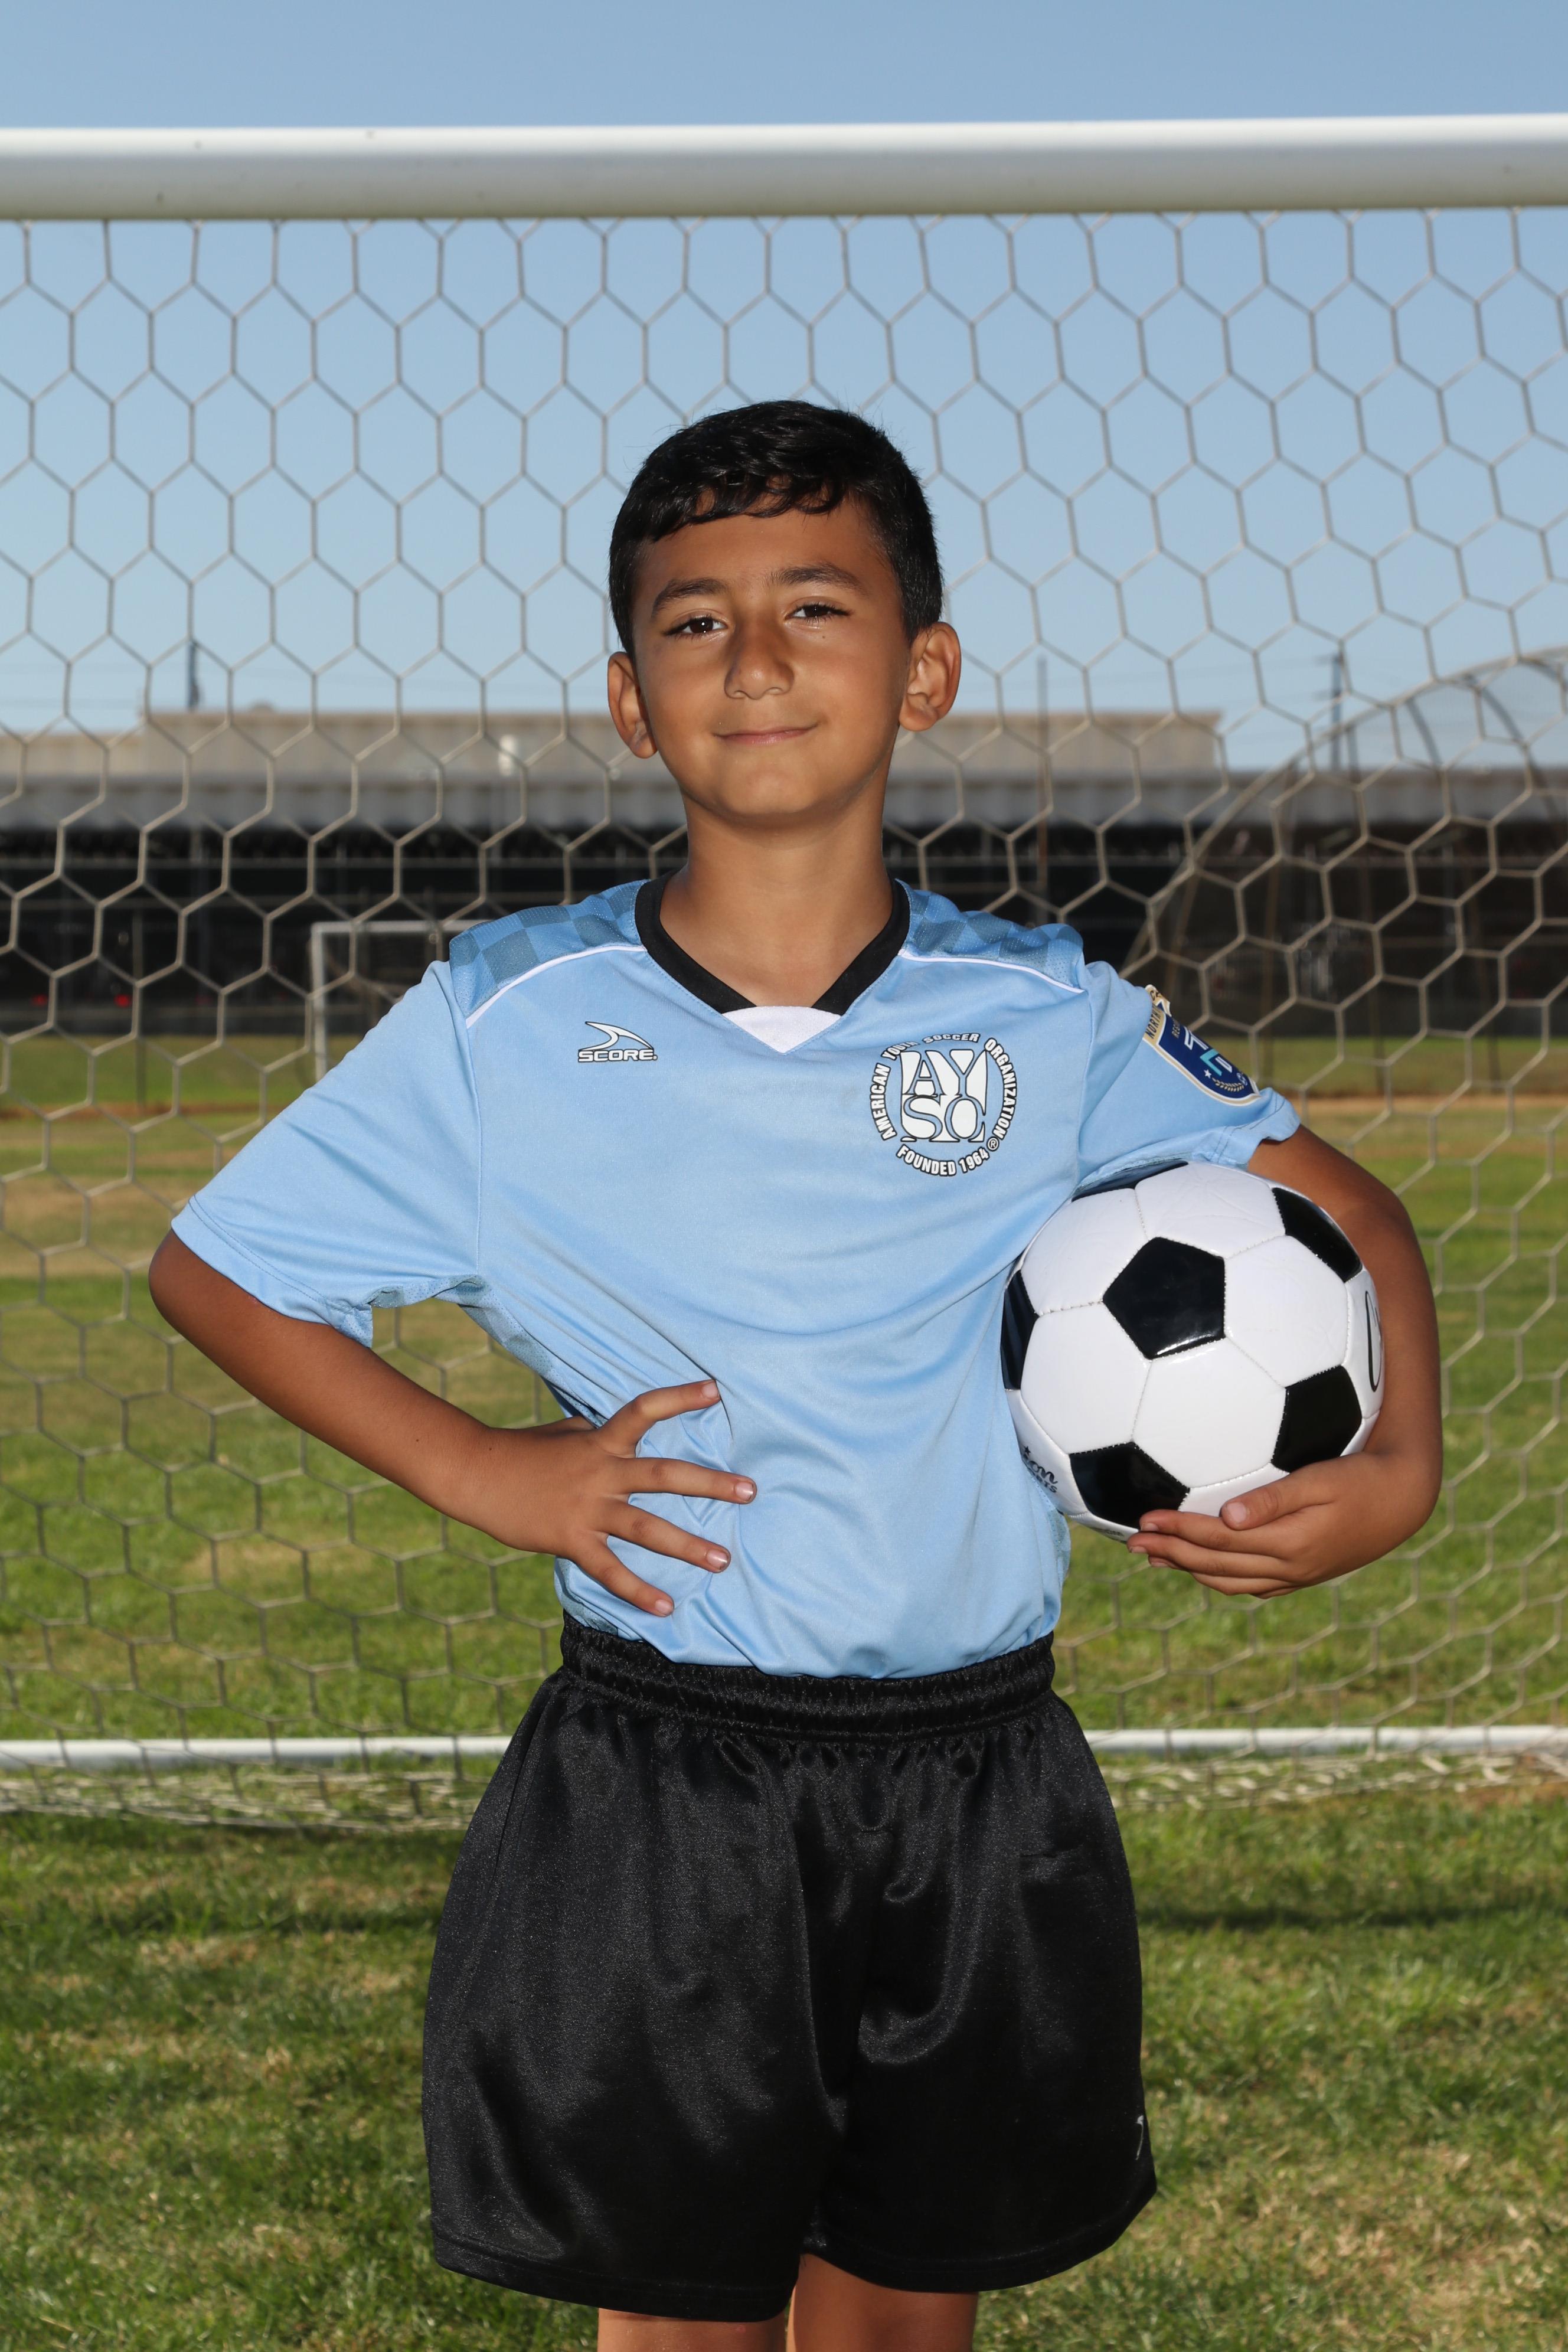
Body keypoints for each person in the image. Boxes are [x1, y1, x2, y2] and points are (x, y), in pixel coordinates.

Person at [149, 400, 1443, 2352]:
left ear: (925, 670)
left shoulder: (1047, 1012)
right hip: (667, 1788)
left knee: (905, 2322)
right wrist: (485, 1469)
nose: (754, 659)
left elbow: (1352, 1210)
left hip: (981, 1778)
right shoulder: (509, 1018)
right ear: (628, 696)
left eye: (816, 606)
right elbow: (219, 1271)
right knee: (681, 2324)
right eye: (695, 621)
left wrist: (1401, 1463)